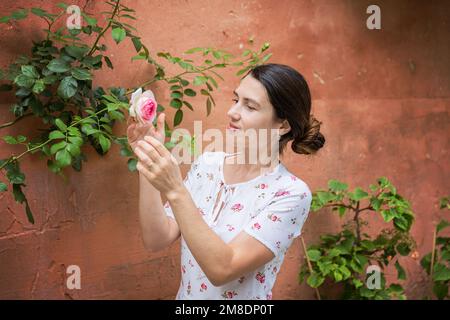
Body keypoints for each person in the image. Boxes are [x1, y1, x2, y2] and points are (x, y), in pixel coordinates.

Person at [126, 63, 326, 300]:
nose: (233, 112)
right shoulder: (208, 165)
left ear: (282, 125)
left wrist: (175, 189)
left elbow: (223, 269)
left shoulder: (289, 193)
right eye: (236, 100)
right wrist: (149, 156)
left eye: (250, 106)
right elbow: (156, 238)